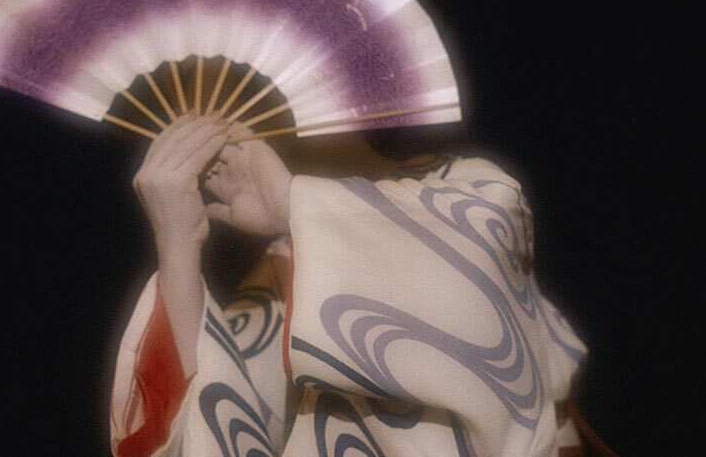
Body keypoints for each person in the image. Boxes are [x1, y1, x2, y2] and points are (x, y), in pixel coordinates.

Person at [108, 111, 590, 456]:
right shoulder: (282, 264)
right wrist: (179, 243)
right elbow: (225, 425)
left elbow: (486, 288)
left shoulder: (465, 185)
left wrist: (289, 203)